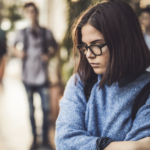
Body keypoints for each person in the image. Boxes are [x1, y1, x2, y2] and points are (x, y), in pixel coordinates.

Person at [55, 0, 150, 150]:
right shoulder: (81, 82)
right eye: (84, 47)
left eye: (96, 45)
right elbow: (64, 140)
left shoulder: (146, 91)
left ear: (123, 41)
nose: (88, 54)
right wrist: (131, 146)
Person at [13, 2, 58, 150]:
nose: (31, 14)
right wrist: (18, 53)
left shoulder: (46, 32)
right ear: (26, 14)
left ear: (37, 13)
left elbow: (55, 47)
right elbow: (12, 47)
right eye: (28, 12)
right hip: (27, 77)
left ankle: (45, 139)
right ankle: (34, 139)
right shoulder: (22, 33)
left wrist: (48, 54)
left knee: (46, 109)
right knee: (31, 110)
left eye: (33, 11)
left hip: (43, 77)